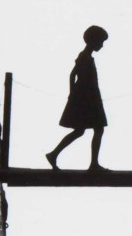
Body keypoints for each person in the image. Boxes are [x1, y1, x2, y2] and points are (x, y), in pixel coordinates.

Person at [46, 25, 109, 171]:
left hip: (89, 98)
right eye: (100, 42)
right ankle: (93, 164)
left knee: (83, 130)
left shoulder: (86, 56)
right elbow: (73, 75)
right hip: (87, 99)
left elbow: (73, 75)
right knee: (97, 129)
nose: (101, 45)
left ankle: (54, 154)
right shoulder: (84, 57)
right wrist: (73, 94)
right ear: (93, 41)